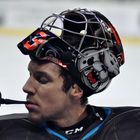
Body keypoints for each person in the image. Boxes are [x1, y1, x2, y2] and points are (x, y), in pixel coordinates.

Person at [0, 8, 140, 140]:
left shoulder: (132, 128)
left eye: (42, 79)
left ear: (76, 89)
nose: (26, 87)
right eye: (30, 74)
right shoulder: (6, 131)